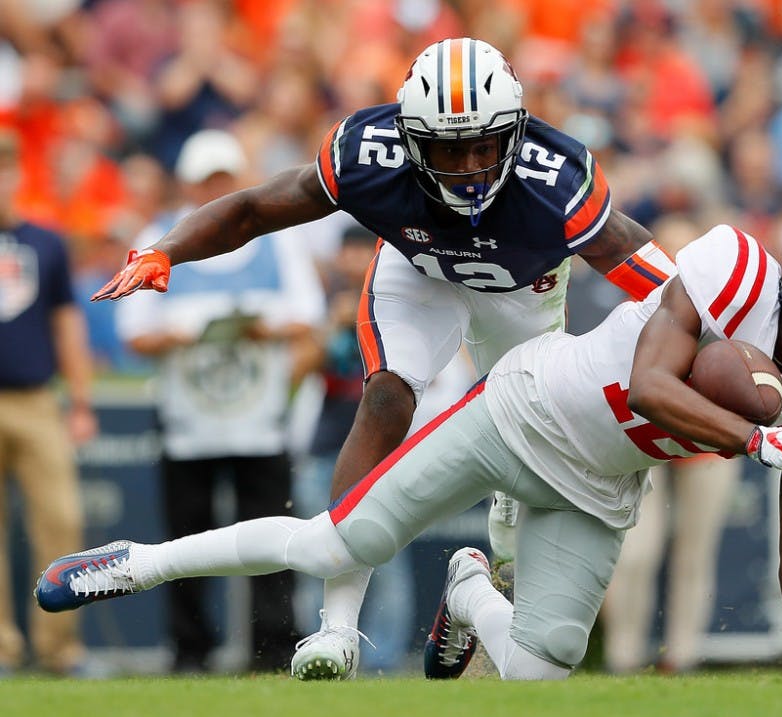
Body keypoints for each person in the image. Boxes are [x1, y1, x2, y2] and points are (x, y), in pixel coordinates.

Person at [41, 213, 782, 683]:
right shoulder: (732, 261)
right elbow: (655, 384)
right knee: (334, 543)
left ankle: (469, 590)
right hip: (524, 406)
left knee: (542, 671)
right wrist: (759, 436)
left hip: (601, 485)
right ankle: (135, 563)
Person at [88, 37, 670, 680]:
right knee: (387, 396)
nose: (472, 165)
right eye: (450, 149)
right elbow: (256, 207)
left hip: (519, 293)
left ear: (516, 133)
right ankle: (338, 627)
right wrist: (168, 248)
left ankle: (483, 578)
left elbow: (660, 281)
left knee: (533, 442)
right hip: (418, 270)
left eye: (485, 145)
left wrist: (728, 335)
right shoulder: (369, 154)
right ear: (411, 140)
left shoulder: (555, 178)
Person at [114, 128, 325, 673]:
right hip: (190, 424)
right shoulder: (157, 238)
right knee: (186, 540)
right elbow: (132, 329)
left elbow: (308, 315)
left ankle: (276, 648)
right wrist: (179, 337)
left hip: (260, 422)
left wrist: (261, 330)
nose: (216, 188)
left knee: (274, 539)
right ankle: (191, 650)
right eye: (207, 180)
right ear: (188, 185)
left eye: (224, 179)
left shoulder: (276, 241)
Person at [0, 128, 98, 676]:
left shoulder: (47, 242)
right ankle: (2, 650)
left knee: (61, 518)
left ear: (18, 176)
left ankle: (59, 648)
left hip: (37, 399)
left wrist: (80, 401)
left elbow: (67, 324)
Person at [601, 454, 739, 675]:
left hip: (710, 437)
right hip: (641, 435)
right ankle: (621, 659)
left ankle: (683, 658)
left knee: (694, 555)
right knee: (634, 554)